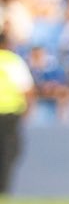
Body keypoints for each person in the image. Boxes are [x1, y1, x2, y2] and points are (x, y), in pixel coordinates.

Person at [0, 28, 35, 194]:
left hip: (8, 114)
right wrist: (28, 112)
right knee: (9, 153)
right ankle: (3, 191)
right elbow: (27, 89)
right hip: (9, 114)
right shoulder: (13, 61)